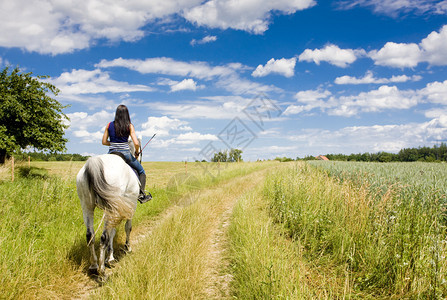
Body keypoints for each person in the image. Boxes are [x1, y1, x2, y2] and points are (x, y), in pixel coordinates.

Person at [102, 104, 152, 203]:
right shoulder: (129, 126)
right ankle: (141, 194)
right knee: (141, 171)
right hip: (125, 153)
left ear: (116, 113)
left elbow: (104, 142)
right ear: (127, 114)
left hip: (111, 153)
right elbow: (136, 143)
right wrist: (137, 152)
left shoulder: (109, 125)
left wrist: (113, 143)